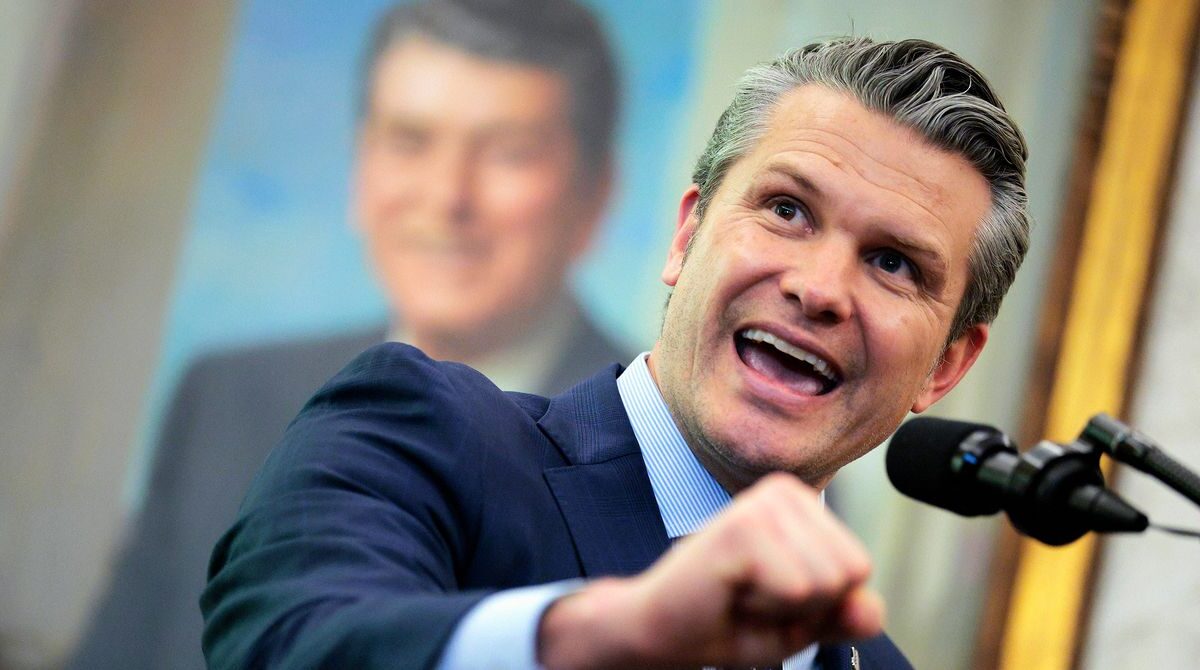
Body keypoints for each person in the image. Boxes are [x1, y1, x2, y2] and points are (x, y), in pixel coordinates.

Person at [201, 36, 1029, 669]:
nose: (819, 289)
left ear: (946, 366)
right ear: (687, 235)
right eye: (786, 210)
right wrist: (615, 633)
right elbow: (289, 636)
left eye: (893, 263)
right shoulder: (426, 430)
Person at [69, 2, 631, 668]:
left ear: (594, 195)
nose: (447, 197)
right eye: (410, 142)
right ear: (360, 166)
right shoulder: (225, 397)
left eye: (508, 154)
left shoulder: (652, 447)